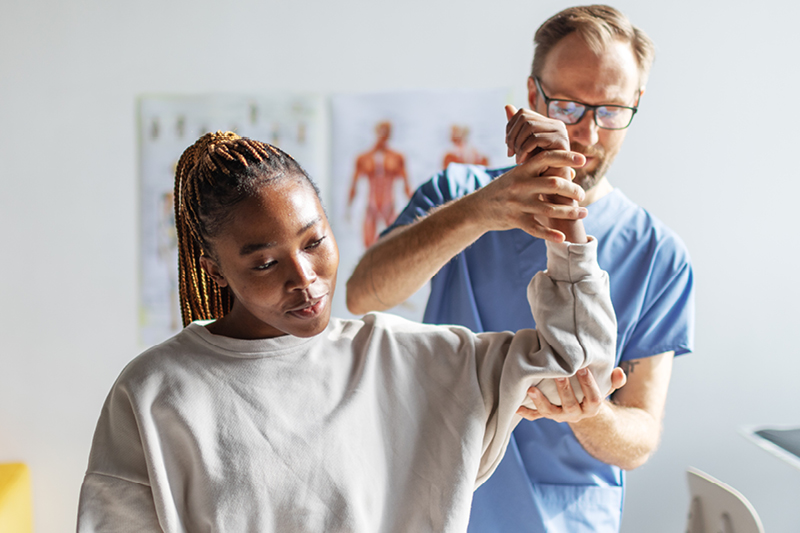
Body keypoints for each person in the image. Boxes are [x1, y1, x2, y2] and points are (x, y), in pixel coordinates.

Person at [77, 131, 623, 532]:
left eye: (314, 242)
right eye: (265, 263)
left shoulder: (409, 360)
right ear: (216, 268)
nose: (305, 279)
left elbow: (579, 366)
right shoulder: (154, 393)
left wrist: (563, 206)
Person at [346, 5, 695, 531]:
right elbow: (362, 296)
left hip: (566, 518)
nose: (588, 135)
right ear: (533, 97)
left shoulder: (659, 256)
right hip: (446, 497)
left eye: (610, 111)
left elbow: (639, 439)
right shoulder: (456, 196)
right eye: (569, 107)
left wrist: (591, 414)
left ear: (636, 103)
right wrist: (481, 211)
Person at [347, 120, 413, 249]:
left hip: (389, 205)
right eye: (382, 130)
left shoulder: (397, 157)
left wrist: (415, 206)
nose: (384, 134)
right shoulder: (363, 158)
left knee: (394, 243)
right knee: (368, 246)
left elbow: (407, 186)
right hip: (371, 205)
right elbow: (353, 185)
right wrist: (348, 208)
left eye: (387, 131)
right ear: (376, 131)